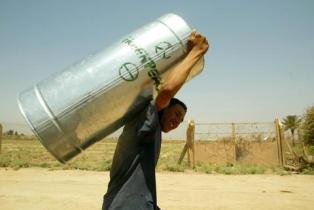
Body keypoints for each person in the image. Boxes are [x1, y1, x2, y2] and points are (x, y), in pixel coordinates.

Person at [102, 32, 209, 210]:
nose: (177, 121)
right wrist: (196, 52)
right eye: (176, 114)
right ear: (165, 108)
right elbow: (166, 92)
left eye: (181, 120)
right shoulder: (145, 120)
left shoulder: (152, 131)